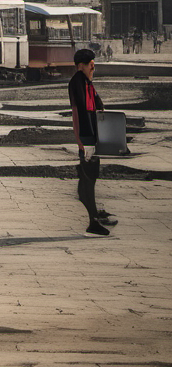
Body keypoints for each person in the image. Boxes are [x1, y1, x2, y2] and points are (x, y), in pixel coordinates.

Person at [68, 48, 116, 235]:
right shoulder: (77, 82)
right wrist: (80, 140)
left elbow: (98, 106)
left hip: (91, 136)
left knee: (90, 177)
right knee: (88, 179)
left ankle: (94, 214)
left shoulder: (87, 83)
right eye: (91, 67)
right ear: (81, 66)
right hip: (86, 137)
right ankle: (93, 221)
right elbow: (76, 112)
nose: (92, 70)